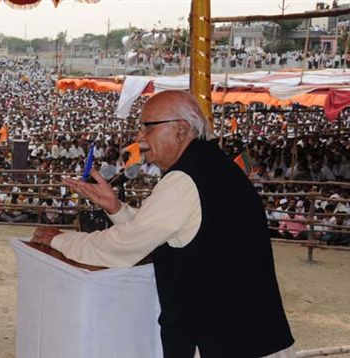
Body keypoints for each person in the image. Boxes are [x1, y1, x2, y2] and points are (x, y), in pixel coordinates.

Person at [31, 91, 294, 358]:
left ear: (181, 129)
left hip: (227, 340)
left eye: (148, 127)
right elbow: (174, 231)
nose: (140, 138)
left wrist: (58, 239)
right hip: (254, 335)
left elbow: (123, 245)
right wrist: (116, 208)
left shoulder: (185, 178)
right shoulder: (211, 166)